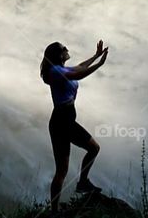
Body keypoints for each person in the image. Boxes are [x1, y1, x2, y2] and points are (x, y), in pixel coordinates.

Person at [40, 39, 109, 211]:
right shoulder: (56, 71)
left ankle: (82, 183)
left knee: (90, 151)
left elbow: (79, 67)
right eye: (64, 48)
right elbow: (78, 74)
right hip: (61, 121)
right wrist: (100, 64)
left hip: (66, 120)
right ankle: (56, 208)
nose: (67, 49)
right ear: (58, 54)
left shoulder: (62, 69)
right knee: (64, 169)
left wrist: (95, 56)